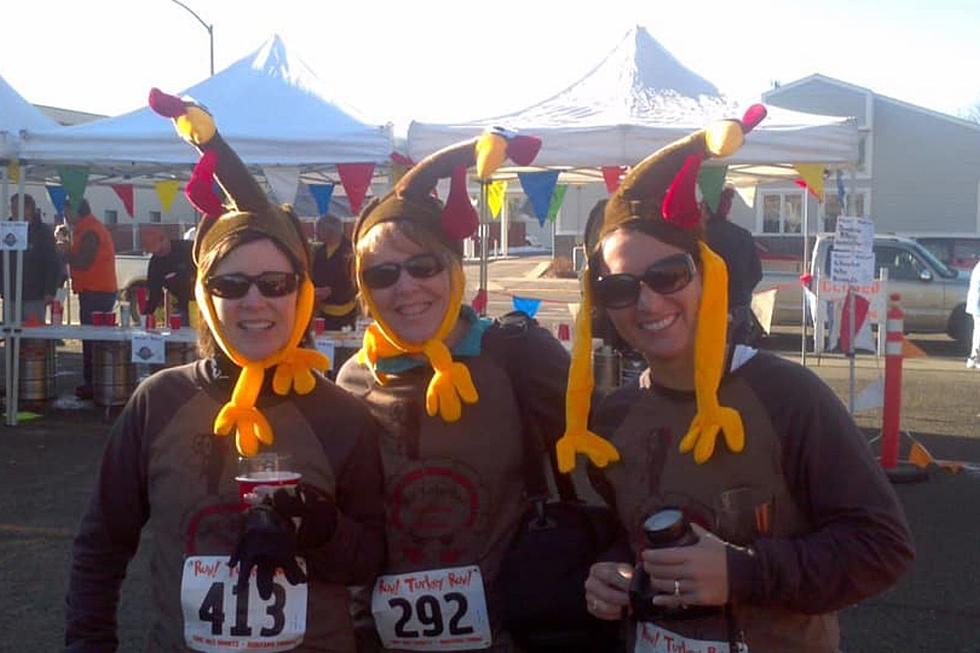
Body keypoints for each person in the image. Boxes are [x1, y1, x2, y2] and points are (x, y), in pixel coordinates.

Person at [565, 107, 914, 652]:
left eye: (668, 275)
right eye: (620, 288)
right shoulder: (613, 419)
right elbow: (628, 530)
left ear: (706, 277)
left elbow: (883, 547)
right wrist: (610, 569)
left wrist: (745, 573)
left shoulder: (786, 397)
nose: (648, 302)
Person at [65, 89, 386, 652]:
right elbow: (102, 546)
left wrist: (322, 530)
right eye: (230, 285)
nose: (253, 301)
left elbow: (372, 559)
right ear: (207, 298)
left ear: (301, 295)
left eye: (275, 283)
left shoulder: (341, 414)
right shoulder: (158, 401)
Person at [336, 130, 610, 651]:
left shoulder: (516, 354)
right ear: (364, 290)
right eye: (382, 275)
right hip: (380, 638)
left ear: (454, 269)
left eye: (423, 266)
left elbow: (614, 464)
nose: (407, 287)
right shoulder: (352, 378)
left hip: (512, 630)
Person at [60, 197, 118, 400]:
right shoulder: (88, 228)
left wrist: (64, 253)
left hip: (97, 291)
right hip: (96, 290)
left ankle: (93, 384)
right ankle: (95, 382)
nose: (65, 216)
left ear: (77, 211)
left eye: (67, 211)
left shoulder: (90, 231)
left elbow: (83, 262)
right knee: (95, 340)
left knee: (93, 340)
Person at [703, 185, 762, 344]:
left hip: (709, 309)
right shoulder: (743, 235)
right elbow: (757, 273)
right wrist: (742, 292)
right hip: (739, 308)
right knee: (738, 361)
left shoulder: (700, 236)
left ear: (706, 208)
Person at [0, 193, 61, 323]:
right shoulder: (6, 230)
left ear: (29, 209)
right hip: (10, 294)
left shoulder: (43, 232)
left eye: (17, 207)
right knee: (11, 333)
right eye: (12, 207)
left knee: (34, 336)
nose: (14, 210)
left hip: (35, 295)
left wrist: (50, 290)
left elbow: (52, 263)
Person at [141, 225, 196, 323]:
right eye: (153, 252)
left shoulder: (188, 249)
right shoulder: (156, 264)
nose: (157, 254)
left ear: (164, 239)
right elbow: (154, 294)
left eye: (159, 250)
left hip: (204, 301)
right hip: (184, 306)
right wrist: (146, 316)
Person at [311, 214, 358, 330]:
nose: (315, 233)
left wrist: (332, 291)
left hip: (344, 312)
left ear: (330, 231)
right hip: (322, 311)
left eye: (318, 230)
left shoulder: (351, 251)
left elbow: (355, 282)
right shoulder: (320, 251)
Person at [966, 258, 980, 368]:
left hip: (976, 304)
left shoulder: (978, 266)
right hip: (978, 304)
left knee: (977, 331)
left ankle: (974, 357)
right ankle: (975, 357)